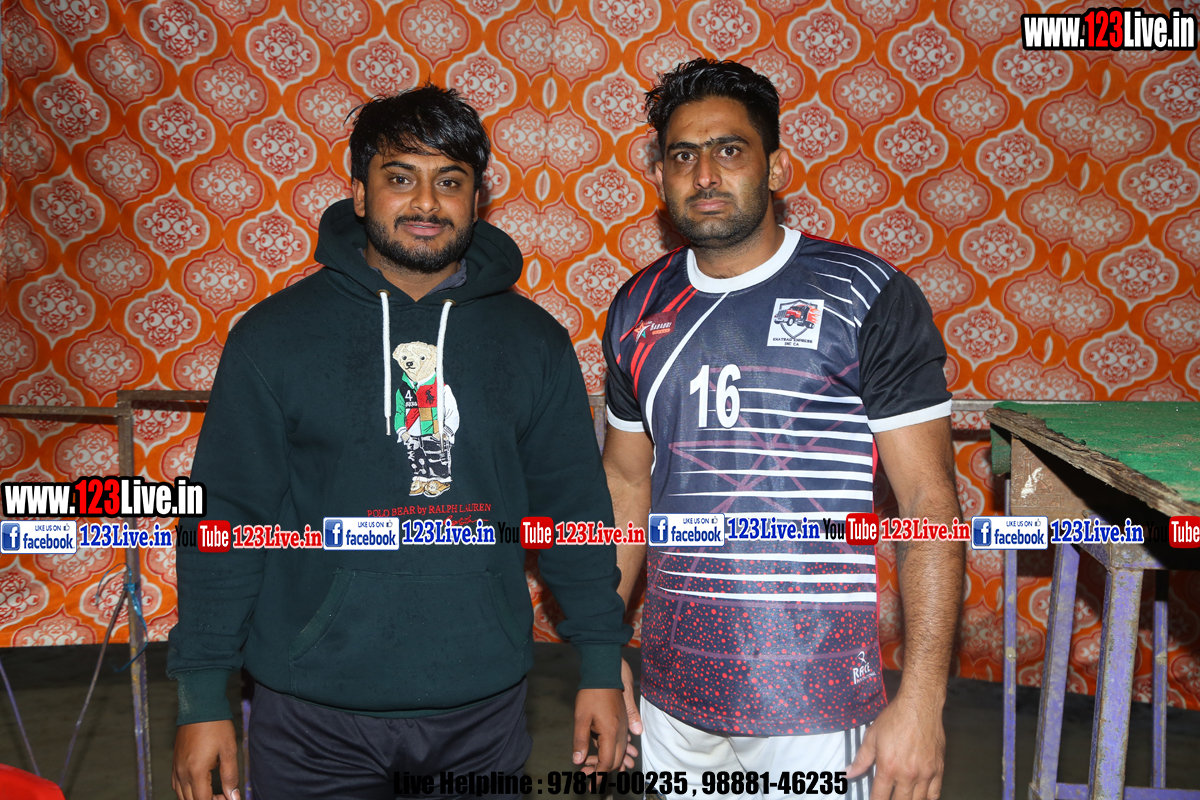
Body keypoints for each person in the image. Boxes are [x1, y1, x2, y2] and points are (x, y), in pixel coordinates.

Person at [168, 85, 631, 800]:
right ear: (359, 193)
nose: (426, 202)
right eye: (400, 177)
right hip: (311, 712)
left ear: (477, 198)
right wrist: (201, 697)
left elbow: (572, 509)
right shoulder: (274, 338)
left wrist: (601, 663)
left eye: (449, 181)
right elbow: (226, 519)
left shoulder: (533, 343)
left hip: (481, 710)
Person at [601, 59, 965, 800]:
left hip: (814, 695)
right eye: (682, 156)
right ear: (661, 177)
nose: (705, 173)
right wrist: (599, 643)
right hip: (672, 691)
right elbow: (625, 481)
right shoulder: (637, 305)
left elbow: (928, 501)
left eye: (729, 150)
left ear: (776, 166)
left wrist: (924, 698)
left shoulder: (866, 293)